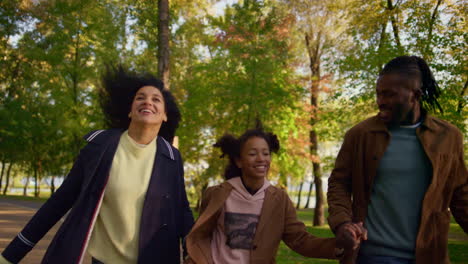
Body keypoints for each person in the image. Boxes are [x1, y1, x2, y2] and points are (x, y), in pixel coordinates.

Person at [0, 66, 194, 264]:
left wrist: (193, 253)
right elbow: (58, 202)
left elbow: (182, 211)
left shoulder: (171, 158)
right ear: (129, 110)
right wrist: (11, 256)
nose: (147, 102)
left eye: (156, 99)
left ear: (165, 115)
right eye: (140, 97)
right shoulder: (99, 147)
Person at [327, 55, 467, 264]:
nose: (381, 101)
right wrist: (342, 223)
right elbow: (339, 183)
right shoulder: (360, 135)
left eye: (389, 95)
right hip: (372, 255)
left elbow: (461, 194)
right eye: (378, 94)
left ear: (415, 96)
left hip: (429, 256)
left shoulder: (448, 137)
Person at [185, 123, 353, 264]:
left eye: (266, 153)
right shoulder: (216, 194)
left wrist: (339, 245)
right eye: (252, 154)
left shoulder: (279, 199)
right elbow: (202, 235)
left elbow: (300, 240)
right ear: (238, 161)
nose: (261, 159)